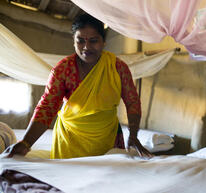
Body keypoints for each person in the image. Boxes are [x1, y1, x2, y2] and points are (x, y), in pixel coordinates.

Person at [4, 13, 151, 159]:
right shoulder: (63, 69)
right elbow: (48, 106)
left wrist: (133, 135)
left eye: (93, 40)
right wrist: (26, 142)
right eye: (80, 41)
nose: (86, 47)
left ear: (103, 42)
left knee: (105, 179)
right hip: (70, 139)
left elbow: (132, 101)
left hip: (107, 138)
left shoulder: (117, 68)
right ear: (73, 42)